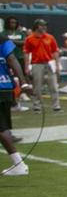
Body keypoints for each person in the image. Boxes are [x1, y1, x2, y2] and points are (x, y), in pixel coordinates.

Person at [1, 29, 30, 176]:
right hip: (6, 88)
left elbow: (12, 59)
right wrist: (23, 83)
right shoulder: (3, 40)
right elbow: (12, 59)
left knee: (1, 129)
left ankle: (19, 164)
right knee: (2, 127)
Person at [23, 19, 61, 113]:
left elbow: (55, 51)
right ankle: (37, 106)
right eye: (42, 25)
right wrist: (27, 66)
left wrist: (57, 64)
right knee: (37, 86)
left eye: (45, 25)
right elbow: (26, 53)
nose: (44, 27)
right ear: (36, 26)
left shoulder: (50, 37)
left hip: (49, 63)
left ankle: (56, 106)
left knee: (53, 86)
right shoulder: (29, 38)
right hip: (37, 64)